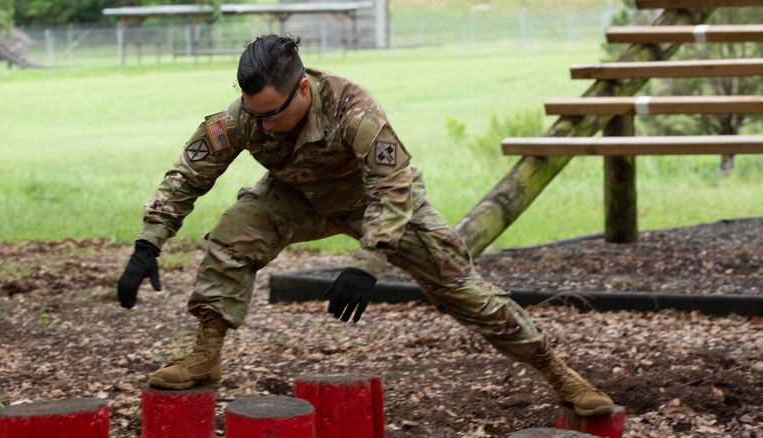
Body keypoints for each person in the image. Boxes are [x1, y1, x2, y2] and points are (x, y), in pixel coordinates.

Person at [116, 34, 614, 416]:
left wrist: (368, 263)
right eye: (254, 113)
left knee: (458, 289)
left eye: (273, 115)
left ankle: (558, 371)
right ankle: (205, 356)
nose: (262, 125)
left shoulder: (355, 113)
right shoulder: (245, 116)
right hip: (300, 195)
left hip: (377, 201)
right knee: (235, 231)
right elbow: (188, 174)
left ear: (303, 90)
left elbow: (392, 190)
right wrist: (147, 244)